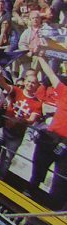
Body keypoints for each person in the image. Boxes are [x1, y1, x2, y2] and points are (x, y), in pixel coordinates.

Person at [0, 72, 42, 180]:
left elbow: (31, 120)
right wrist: (0, 76)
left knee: (6, 158)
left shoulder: (37, 103)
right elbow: (4, 85)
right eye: (28, 81)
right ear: (24, 82)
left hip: (17, 133)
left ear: (37, 86)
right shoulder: (17, 91)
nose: (30, 84)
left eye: (33, 83)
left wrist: (20, 119)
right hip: (4, 127)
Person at [28, 56, 67, 208]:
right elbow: (50, 74)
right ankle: (31, 190)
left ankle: (55, 206)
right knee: (38, 165)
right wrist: (40, 57)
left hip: (66, 143)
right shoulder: (64, 90)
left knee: (61, 180)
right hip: (51, 137)